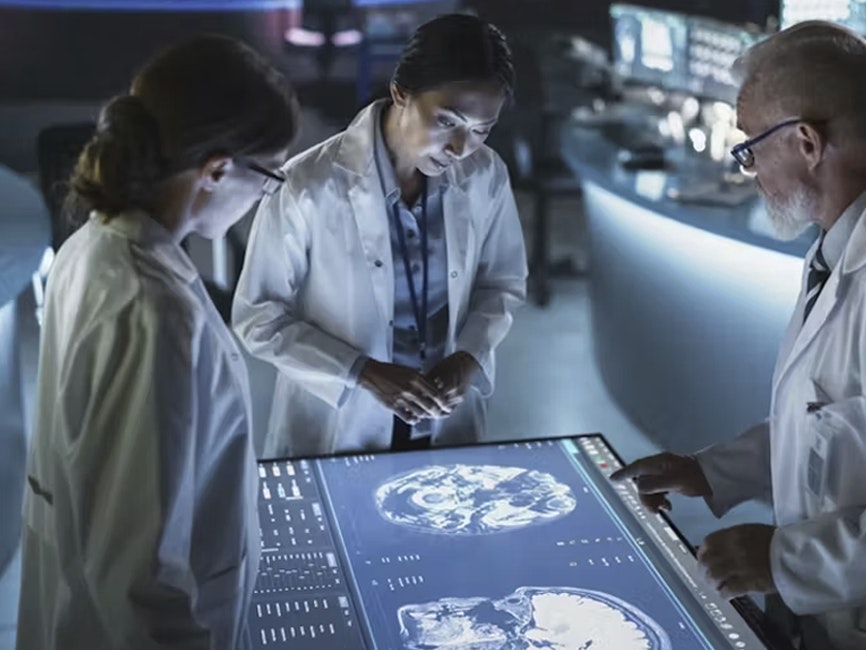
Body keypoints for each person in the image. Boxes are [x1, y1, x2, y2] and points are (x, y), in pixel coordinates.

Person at [612, 21, 866, 650]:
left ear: (807, 143)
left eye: (749, 148)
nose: (747, 170)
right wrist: (709, 472)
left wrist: (783, 561)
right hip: (836, 614)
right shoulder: (846, 240)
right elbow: (830, 424)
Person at [18, 35, 299, 649]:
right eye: (269, 177)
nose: (265, 197)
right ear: (217, 170)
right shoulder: (152, 311)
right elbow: (138, 582)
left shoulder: (93, 244)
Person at [233, 13, 527, 457]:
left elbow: (501, 283)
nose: (459, 148)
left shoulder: (485, 174)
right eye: (447, 121)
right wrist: (362, 372)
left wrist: (468, 356)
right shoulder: (308, 185)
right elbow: (259, 318)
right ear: (400, 92)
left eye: (481, 130)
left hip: (444, 421)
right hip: (339, 425)